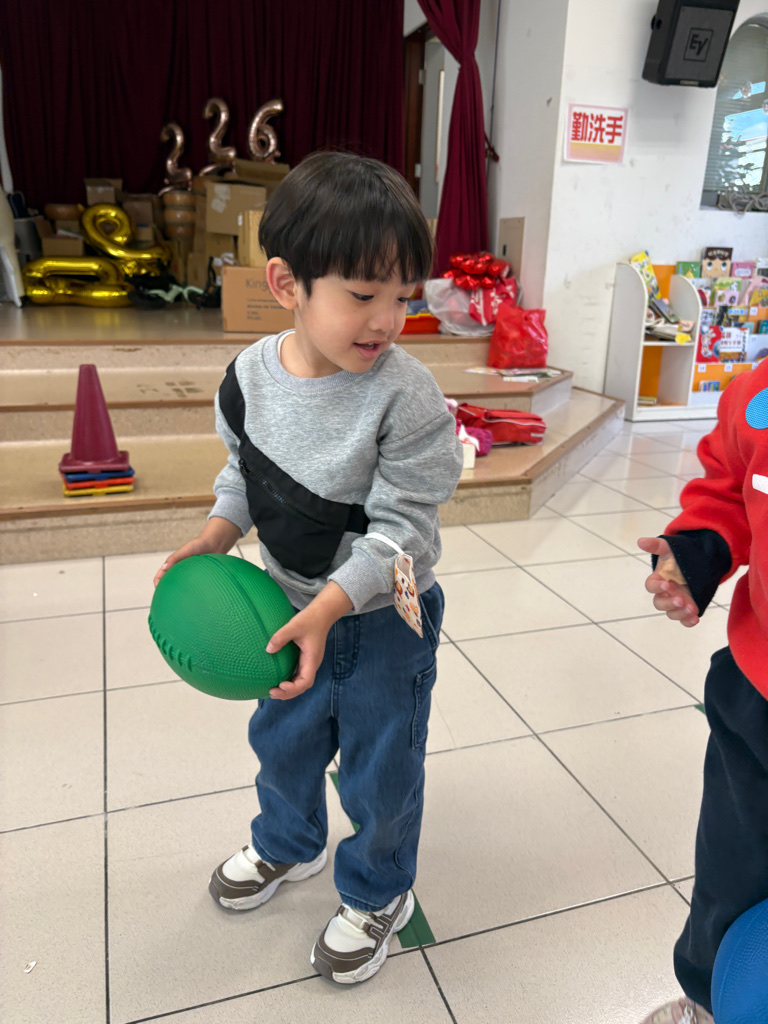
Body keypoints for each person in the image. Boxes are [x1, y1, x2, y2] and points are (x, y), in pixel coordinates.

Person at [154, 151, 463, 985]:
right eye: (362, 295)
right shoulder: (247, 380)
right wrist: (218, 532)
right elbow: (243, 474)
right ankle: (289, 842)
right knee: (283, 742)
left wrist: (332, 607)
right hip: (279, 611)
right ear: (288, 283)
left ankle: (378, 889)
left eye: (403, 297)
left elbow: (404, 529)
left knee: (380, 768)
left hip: (381, 626)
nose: (386, 321)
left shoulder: (407, 398)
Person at [636, 359, 768, 1024]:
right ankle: (711, 997)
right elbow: (729, 490)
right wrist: (697, 554)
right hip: (757, 687)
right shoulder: (756, 393)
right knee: (731, 864)